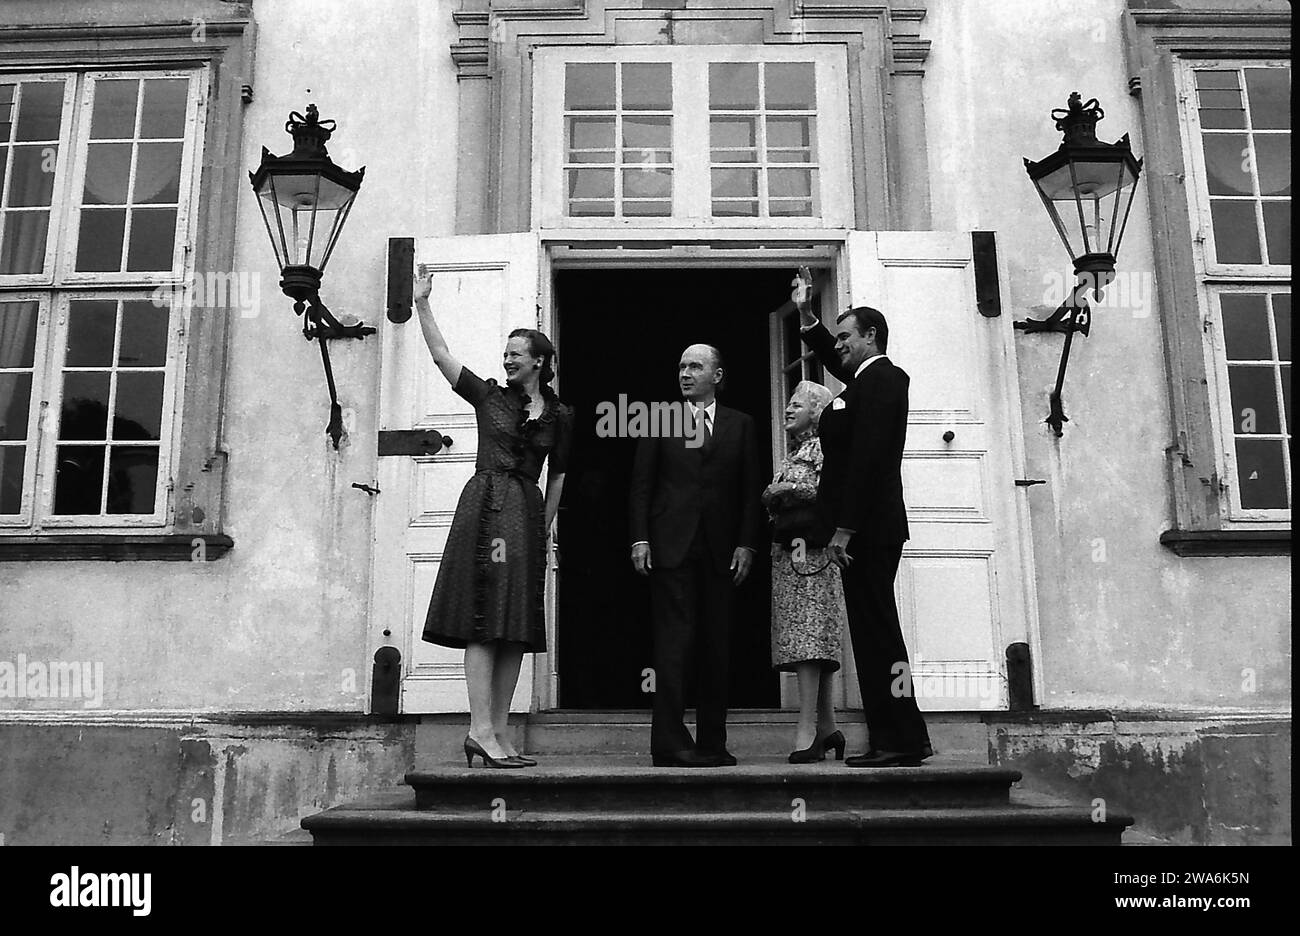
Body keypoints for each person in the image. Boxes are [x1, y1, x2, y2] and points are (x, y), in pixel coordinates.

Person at [414, 265, 573, 769]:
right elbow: (442, 357)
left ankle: (500, 733)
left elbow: (560, 477)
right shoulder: (488, 396)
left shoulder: (561, 414)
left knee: (514, 628)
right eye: (505, 355)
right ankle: (479, 730)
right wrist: (422, 304)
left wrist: (545, 529)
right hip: (484, 507)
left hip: (525, 514)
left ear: (540, 363)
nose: (507, 361)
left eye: (516, 355)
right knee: (483, 622)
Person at [790, 266, 933, 768]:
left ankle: (897, 740)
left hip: (868, 529)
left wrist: (844, 530)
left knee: (878, 634)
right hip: (861, 529)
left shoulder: (885, 380)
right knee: (874, 632)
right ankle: (903, 735)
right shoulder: (866, 380)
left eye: (848, 335)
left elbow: (869, 460)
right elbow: (835, 358)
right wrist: (808, 318)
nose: (840, 345)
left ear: (872, 336)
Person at [629, 344, 763, 767]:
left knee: (716, 647)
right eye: (682, 366)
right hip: (671, 547)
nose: (685, 373)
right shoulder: (658, 420)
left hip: (722, 551)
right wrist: (639, 538)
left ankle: (712, 743)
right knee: (673, 646)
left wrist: (747, 543)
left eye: (695, 366)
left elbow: (749, 491)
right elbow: (641, 485)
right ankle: (669, 743)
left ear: (717, 376)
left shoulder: (741, 425)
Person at [763, 380, 847, 763]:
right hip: (792, 558)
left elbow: (815, 489)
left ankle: (807, 729)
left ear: (816, 411)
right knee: (810, 644)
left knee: (812, 645)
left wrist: (776, 492)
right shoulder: (796, 450)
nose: (788, 409)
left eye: (797, 404)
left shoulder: (822, 447)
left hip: (812, 557)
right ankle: (827, 726)